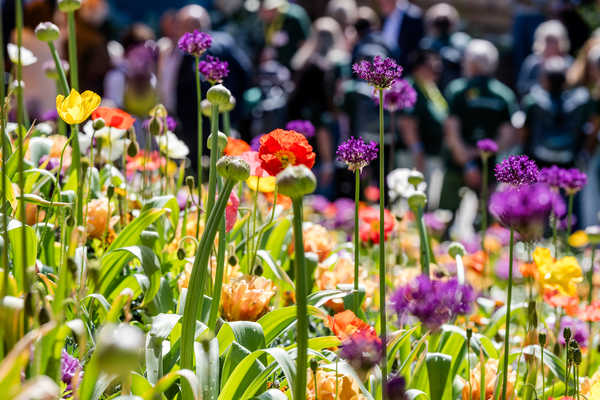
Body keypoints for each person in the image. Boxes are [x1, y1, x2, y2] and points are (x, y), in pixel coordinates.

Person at [440, 39, 518, 212]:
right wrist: (481, 156)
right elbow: (507, 137)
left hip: (458, 164)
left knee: (443, 220)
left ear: (471, 64)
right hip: (489, 166)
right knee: (488, 230)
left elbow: (451, 132)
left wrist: (468, 163)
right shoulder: (503, 95)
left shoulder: (458, 90)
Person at [288, 17, 350, 197]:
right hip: (323, 141)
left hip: (299, 140)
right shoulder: (332, 66)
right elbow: (322, 119)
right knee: (322, 195)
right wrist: (329, 162)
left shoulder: (301, 63)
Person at [521, 56, 594, 168]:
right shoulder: (582, 100)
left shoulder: (533, 100)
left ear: (545, 79)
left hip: (538, 160)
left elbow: (524, 132)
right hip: (569, 160)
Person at [398, 49, 447, 208]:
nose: (437, 71)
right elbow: (407, 122)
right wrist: (417, 152)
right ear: (420, 67)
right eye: (433, 67)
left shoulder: (430, 88)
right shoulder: (410, 87)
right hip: (415, 157)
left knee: (427, 203)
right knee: (410, 201)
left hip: (431, 156)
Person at [420, 3, 470, 91]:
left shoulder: (462, 42)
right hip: (434, 90)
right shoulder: (427, 44)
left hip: (456, 89)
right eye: (439, 22)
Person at [517, 20, 571, 97]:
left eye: (554, 41)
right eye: (548, 40)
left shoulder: (568, 62)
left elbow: (574, 85)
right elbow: (522, 87)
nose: (551, 44)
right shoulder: (532, 63)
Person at [257, 0, 311, 69]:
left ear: (274, 8)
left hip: (295, 66)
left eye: (263, 11)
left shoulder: (294, 18)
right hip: (278, 66)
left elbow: (304, 43)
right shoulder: (268, 21)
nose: (260, 15)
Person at [377, 0, 425, 67]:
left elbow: (417, 49)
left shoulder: (413, 15)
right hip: (387, 69)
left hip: (406, 71)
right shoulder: (383, 17)